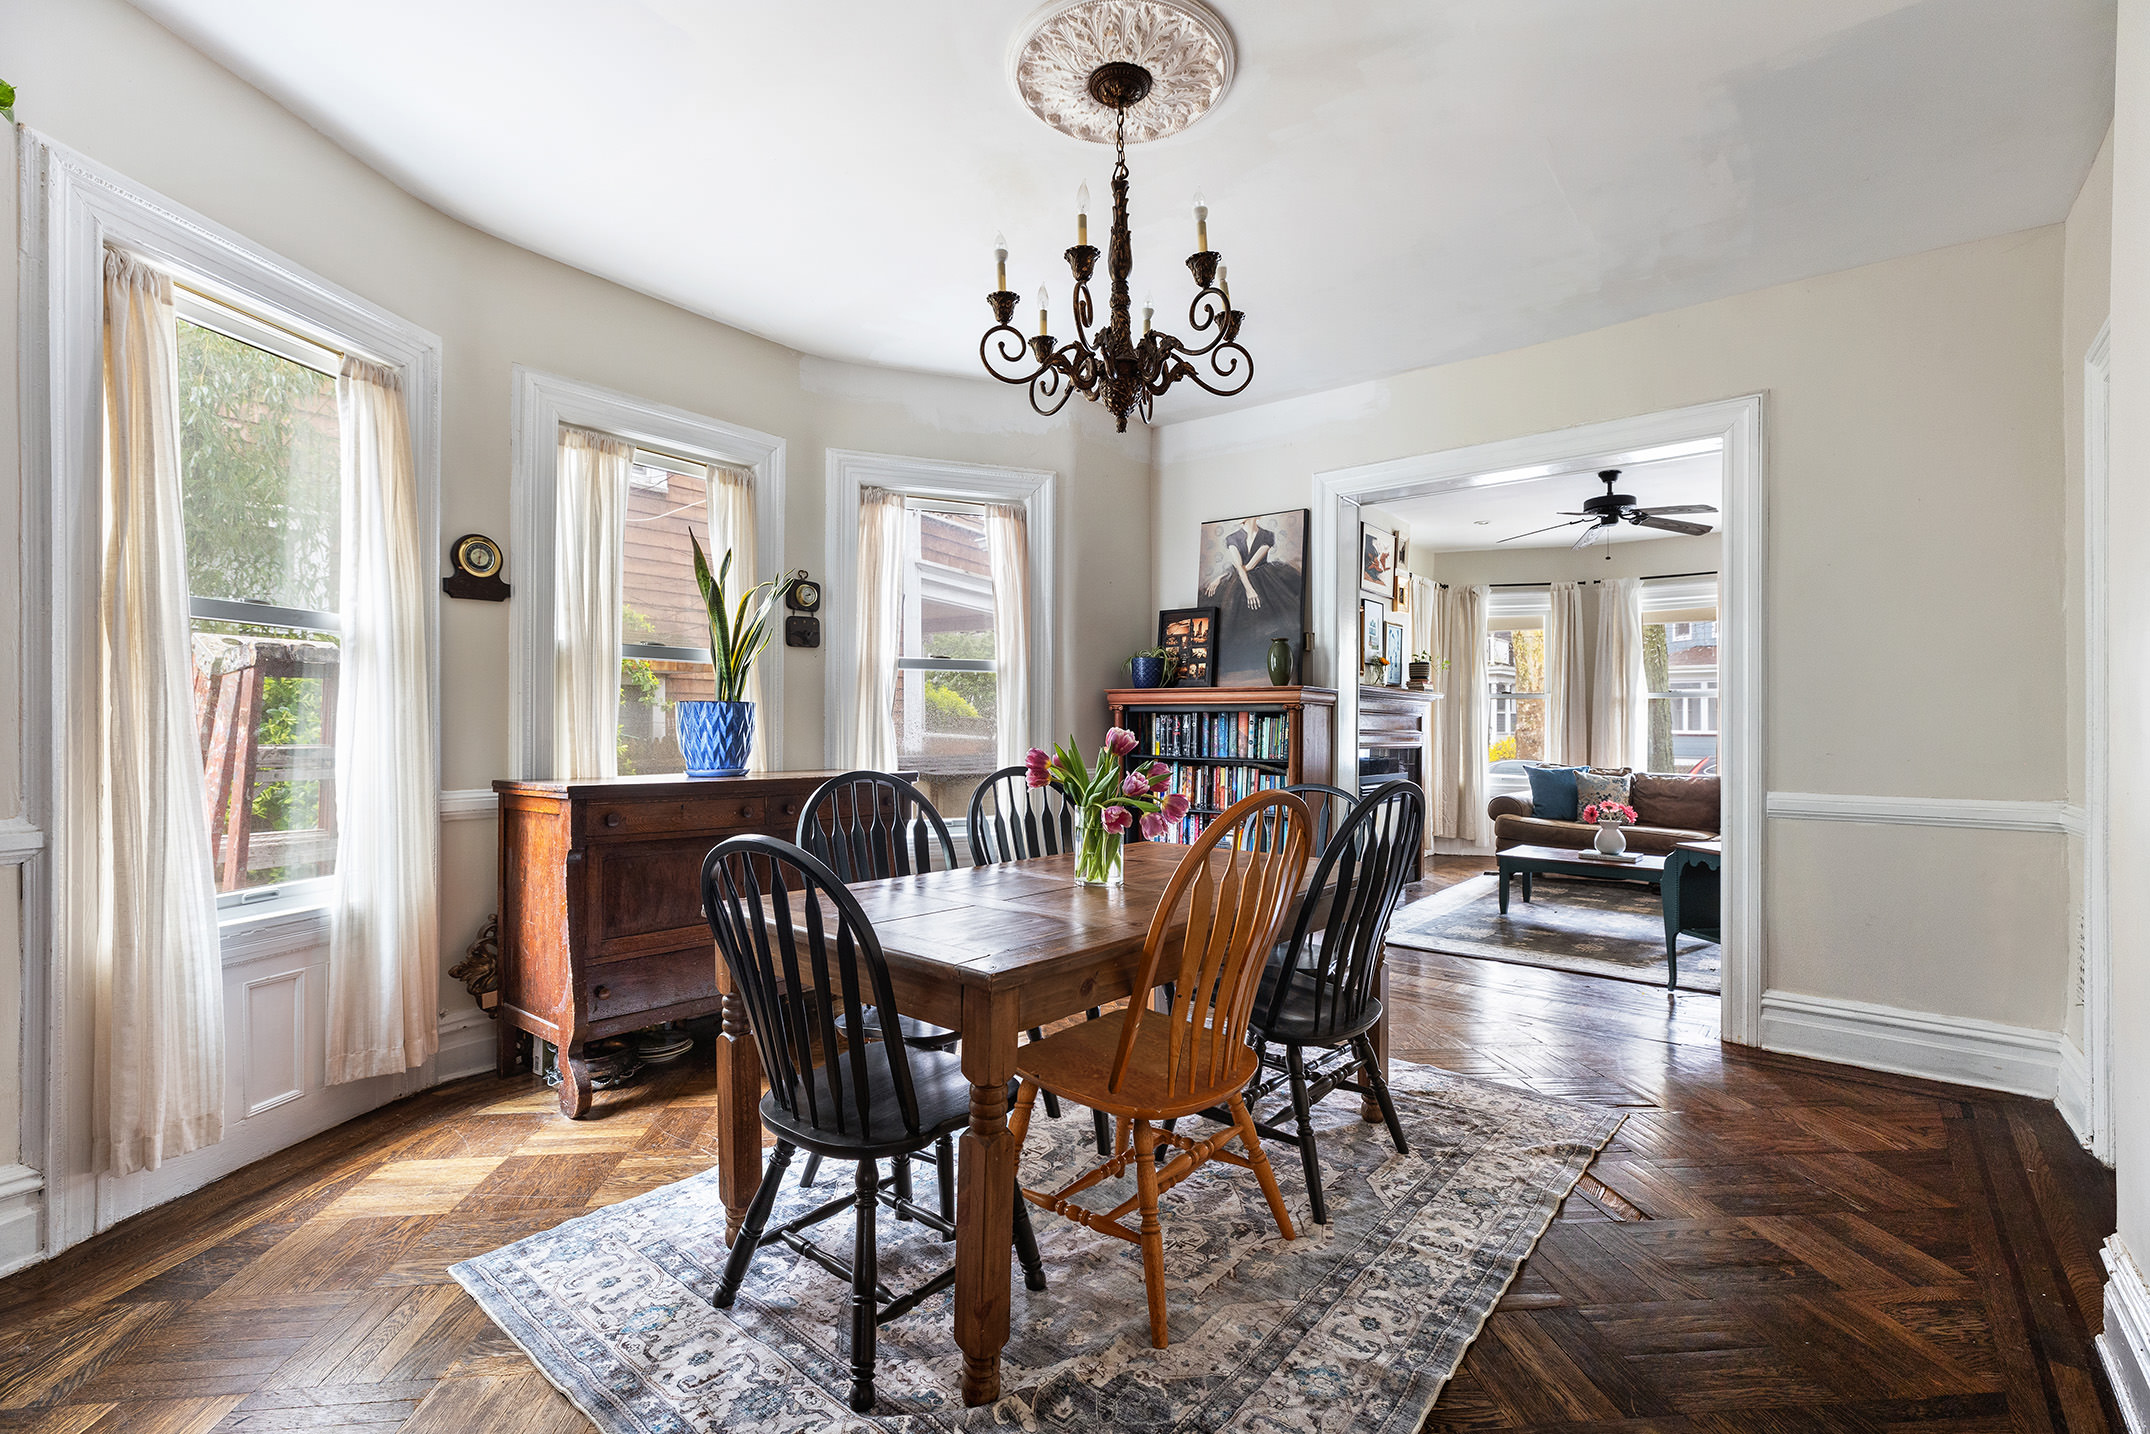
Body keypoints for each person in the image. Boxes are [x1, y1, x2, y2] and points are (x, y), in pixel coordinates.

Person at [1204, 515, 1300, 683]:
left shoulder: (1267, 536)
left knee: (1274, 613)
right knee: (1230, 607)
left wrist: (1229, 574)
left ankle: (1264, 664)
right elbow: (1239, 566)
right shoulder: (1232, 538)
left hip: (1263, 576)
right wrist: (1247, 588)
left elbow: (1248, 566)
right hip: (1241, 580)